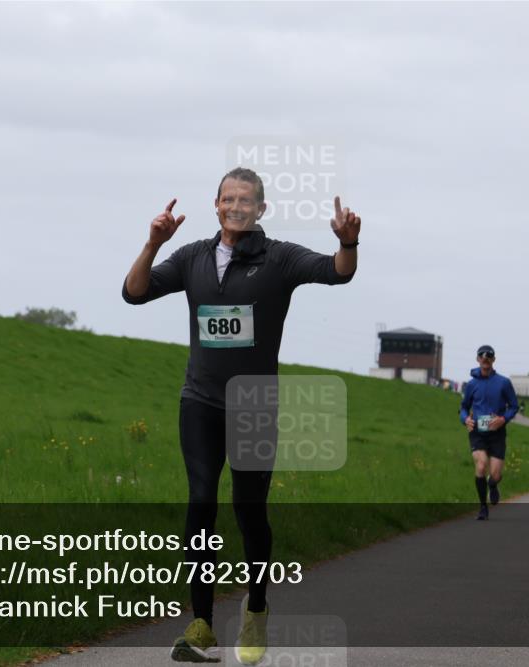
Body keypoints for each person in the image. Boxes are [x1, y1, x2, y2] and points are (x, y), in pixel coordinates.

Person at [122, 168, 360, 663]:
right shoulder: (191, 258)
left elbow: (337, 271)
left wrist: (348, 244)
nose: (235, 206)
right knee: (201, 501)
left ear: (260, 209)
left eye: (245, 200)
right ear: (215, 205)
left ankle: (255, 609)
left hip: (254, 404)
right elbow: (134, 292)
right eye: (227, 198)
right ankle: (202, 623)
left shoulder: (281, 258)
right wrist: (152, 243)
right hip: (201, 401)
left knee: (249, 510)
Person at [459, 345, 520, 520]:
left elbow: (514, 406)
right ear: (477, 359)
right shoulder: (471, 384)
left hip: (497, 433)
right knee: (480, 465)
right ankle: (482, 507)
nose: (485, 358)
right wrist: (466, 419)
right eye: (482, 355)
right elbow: (464, 407)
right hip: (478, 432)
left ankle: (492, 485)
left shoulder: (503, 382)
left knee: (495, 475)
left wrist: (503, 419)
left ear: (494, 360)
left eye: (489, 356)